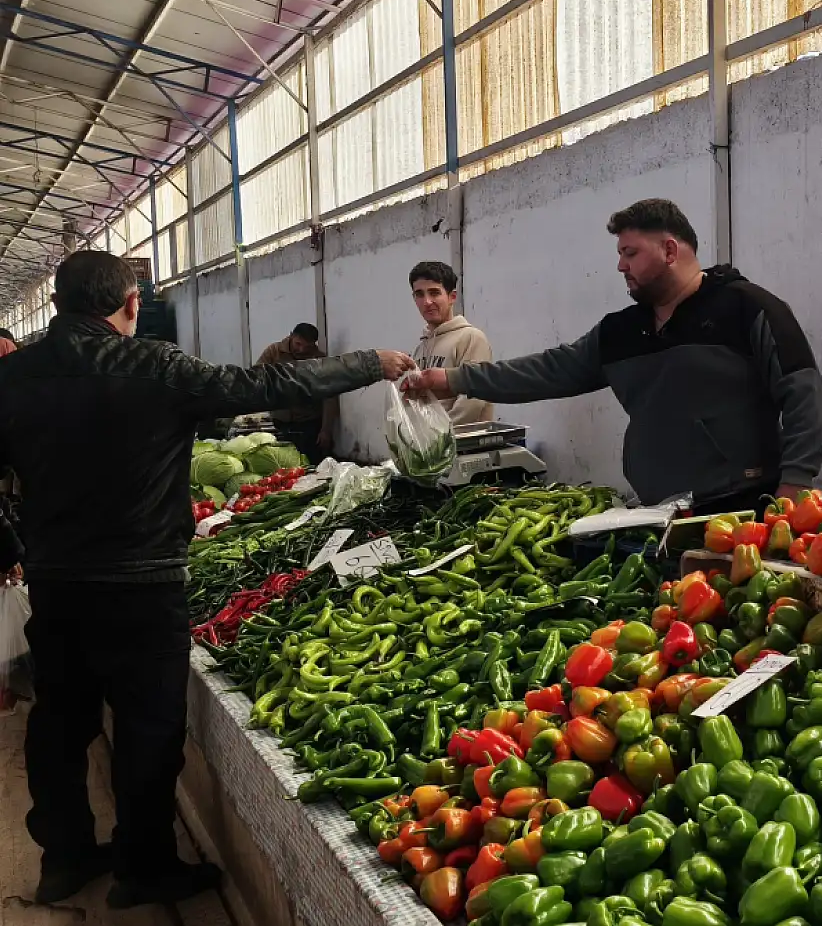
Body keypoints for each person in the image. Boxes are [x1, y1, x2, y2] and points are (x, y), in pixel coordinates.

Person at [0, 251, 415, 908]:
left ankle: (65, 857)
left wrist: (11, 547)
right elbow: (264, 387)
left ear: (57, 304)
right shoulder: (158, 366)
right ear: (131, 304)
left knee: (60, 723)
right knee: (148, 727)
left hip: (58, 582)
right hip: (145, 584)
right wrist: (369, 362)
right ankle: (144, 866)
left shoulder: (13, 375)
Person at [405, 198, 822, 513]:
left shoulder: (747, 307)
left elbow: (801, 388)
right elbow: (548, 370)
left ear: (670, 251)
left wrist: (796, 481)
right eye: (619, 255)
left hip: (744, 505)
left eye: (630, 253)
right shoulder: (622, 331)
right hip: (657, 508)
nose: (621, 266)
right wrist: (452, 379)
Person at [408, 261, 494, 426]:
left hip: (463, 447)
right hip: (428, 447)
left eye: (434, 293)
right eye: (419, 294)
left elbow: (472, 401)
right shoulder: (420, 348)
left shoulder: (471, 338)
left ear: (452, 297)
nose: (427, 301)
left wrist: (440, 437)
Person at [255, 322, 336, 461]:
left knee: (309, 464)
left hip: (309, 423)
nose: (302, 349)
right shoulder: (273, 352)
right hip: (280, 420)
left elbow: (330, 396)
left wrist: (326, 430)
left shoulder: (320, 359)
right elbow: (257, 376)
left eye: (307, 346)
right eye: (298, 344)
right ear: (291, 335)